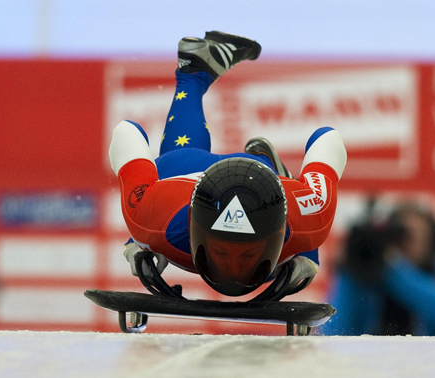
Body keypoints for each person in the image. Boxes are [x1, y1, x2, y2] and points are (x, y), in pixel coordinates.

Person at [109, 31, 347, 298]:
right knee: (177, 160)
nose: (234, 270)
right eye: (221, 252)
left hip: (178, 178)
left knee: (178, 156)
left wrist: (142, 240)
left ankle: (193, 74)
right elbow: (327, 137)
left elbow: (127, 132)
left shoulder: (149, 217)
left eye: (248, 254)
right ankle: (264, 161)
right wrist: (307, 251)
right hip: (193, 184)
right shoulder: (311, 218)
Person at [322, 201, 435, 335]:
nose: (413, 243)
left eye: (422, 236)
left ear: (433, 243)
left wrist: (391, 268)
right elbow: (333, 331)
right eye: (405, 236)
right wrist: (351, 267)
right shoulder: (367, 278)